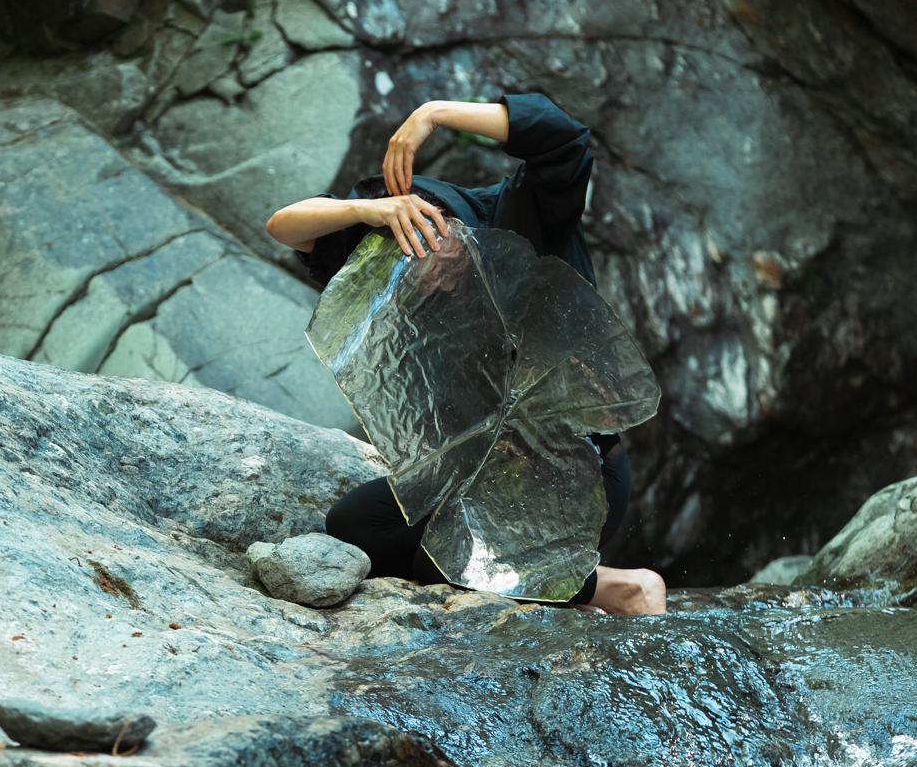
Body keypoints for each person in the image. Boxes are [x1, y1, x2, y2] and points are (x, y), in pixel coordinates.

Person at [266, 94, 668, 616]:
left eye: (432, 233)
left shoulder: (522, 219)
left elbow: (565, 138)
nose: (422, 259)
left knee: (446, 564)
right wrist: (370, 210)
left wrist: (431, 114)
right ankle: (551, 589)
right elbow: (285, 226)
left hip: (573, 470)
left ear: (453, 218)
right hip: (470, 472)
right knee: (356, 526)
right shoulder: (397, 269)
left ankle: (621, 588)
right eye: (405, 246)